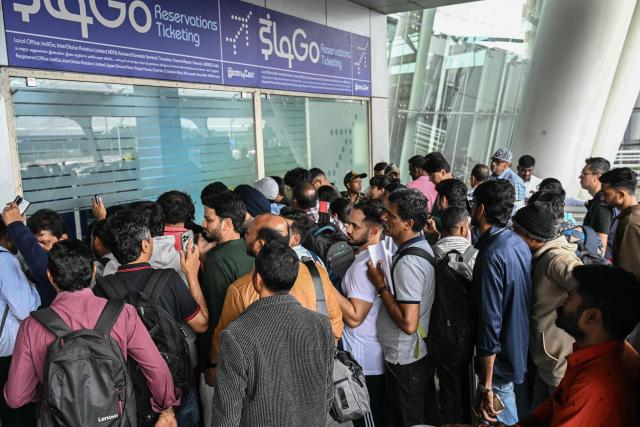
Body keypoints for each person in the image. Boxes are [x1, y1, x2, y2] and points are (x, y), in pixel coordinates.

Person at [5, 240, 180, 426]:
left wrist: (52, 391)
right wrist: (166, 408)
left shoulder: (32, 326)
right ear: (94, 272)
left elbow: (15, 398)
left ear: (50, 277)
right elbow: (155, 368)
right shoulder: (123, 313)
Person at [95, 209, 208, 427]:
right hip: (175, 389)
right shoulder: (169, 280)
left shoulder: (101, 290)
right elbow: (201, 324)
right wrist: (192, 275)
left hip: (130, 393)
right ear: (146, 245)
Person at [498, 265, 640, 427]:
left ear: (592, 316)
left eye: (569, 297)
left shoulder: (593, 385)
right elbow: (554, 405)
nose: (563, 301)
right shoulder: (598, 352)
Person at [212, 240, 335, 426]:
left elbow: (227, 413)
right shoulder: (321, 324)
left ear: (258, 280)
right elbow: (327, 392)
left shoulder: (236, 334)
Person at [209, 214, 343, 380]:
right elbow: (336, 327)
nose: (244, 236)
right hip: (316, 378)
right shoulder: (316, 272)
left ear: (260, 244)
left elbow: (221, 350)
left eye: (248, 233)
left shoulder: (241, 290)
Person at [366, 188, 438, 426]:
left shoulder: (408, 263)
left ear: (408, 223)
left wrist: (380, 287)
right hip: (413, 356)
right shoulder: (418, 246)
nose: (384, 218)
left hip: (406, 361)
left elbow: (409, 323)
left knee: (408, 420)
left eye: (391, 215)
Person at [471, 180, 532, 425]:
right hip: (515, 348)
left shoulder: (491, 253)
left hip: (498, 361)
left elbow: (490, 322)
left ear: (482, 209)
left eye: (473, 204)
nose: (471, 209)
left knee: (500, 417)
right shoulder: (517, 242)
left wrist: (486, 385)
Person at [511, 202, 582, 409]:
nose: (512, 236)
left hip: (558, 359)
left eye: (516, 231)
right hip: (546, 357)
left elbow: (589, 286)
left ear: (532, 238)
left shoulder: (555, 259)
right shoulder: (540, 255)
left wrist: (569, 316)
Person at [199, 191, 254, 424]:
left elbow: (216, 315)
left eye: (209, 219)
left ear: (227, 223)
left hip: (228, 357)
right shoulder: (249, 248)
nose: (203, 224)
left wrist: (211, 363)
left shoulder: (217, 261)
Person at [334, 201, 389, 427]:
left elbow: (356, 316)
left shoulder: (364, 265)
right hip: (371, 355)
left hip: (364, 361)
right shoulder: (378, 254)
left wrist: (325, 286)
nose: (347, 229)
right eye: (348, 224)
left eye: (354, 226)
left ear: (374, 230)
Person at [430, 206, 478, 426]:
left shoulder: (430, 254)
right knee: (469, 383)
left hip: (440, 332)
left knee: (448, 386)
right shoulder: (476, 255)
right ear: (463, 228)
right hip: (470, 334)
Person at [0, 218, 40, 426]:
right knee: (18, 409)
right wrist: (33, 287)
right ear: (8, 237)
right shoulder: (5, 259)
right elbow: (25, 310)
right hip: (8, 350)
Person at [1, 206, 68, 306]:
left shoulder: (72, 261)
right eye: (35, 243)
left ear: (63, 239)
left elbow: (43, 266)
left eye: (45, 242)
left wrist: (15, 226)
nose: (38, 248)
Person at [599, 167, 639, 278]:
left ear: (621, 195)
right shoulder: (632, 217)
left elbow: (630, 272)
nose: (602, 198)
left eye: (606, 194)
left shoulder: (629, 224)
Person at [579, 157, 613, 251]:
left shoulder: (601, 205)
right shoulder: (600, 201)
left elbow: (601, 245)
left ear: (597, 177)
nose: (580, 177)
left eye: (584, 173)